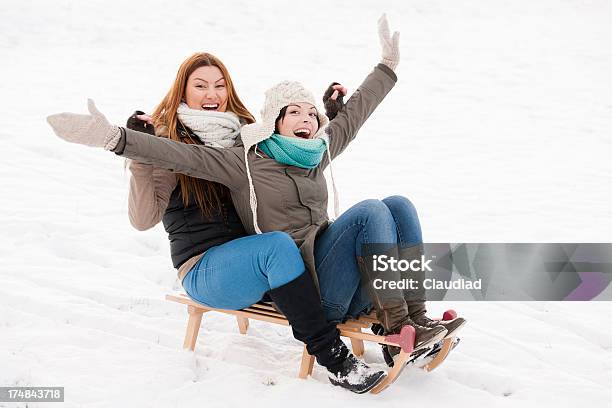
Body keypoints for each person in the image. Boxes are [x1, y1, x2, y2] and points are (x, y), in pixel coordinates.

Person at [48, 14, 465, 375]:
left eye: (310, 114)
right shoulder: (242, 159)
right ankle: (395, 330)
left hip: (290, 268)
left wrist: (386, 67)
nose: (212, 94)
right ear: (273, 121)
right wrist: (115, 139)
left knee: (398, 206)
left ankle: (417, 319)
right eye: (201, 86)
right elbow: (175, 156)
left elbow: (353, 117)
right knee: (369, 212)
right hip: (274, 272)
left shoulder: (307, 150)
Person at [50, 53, 386, 393]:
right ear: (183, 92)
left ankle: (408, 317)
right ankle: (334, 359)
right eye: (200, 86)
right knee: (278, 245)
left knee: (376, 214)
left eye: (219, 86)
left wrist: (327, 118)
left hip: (264, 265)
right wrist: (134, 151)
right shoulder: (167, 144)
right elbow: (143, 219)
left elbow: (297, 148)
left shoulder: (247, 138)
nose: (211, 94)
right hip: (205, 267)